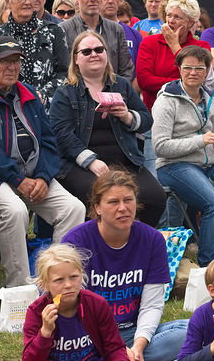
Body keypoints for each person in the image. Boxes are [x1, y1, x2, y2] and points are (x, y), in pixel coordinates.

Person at [0, 38, 86, 288]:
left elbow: (49, 140)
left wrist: (43, 177)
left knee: (73, 209)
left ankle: (56, 281)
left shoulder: (27, 92)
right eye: (4, 61)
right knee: (15, 211)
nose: (12, 67)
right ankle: (20, 290)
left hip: (32, 175)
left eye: (16, 61)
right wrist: (17, 179)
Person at [62, 169, 188, 361]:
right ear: (97, 207)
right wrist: (116, 348)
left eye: (128, 200)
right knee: (196, 338)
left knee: (198, 328)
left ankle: (129, 358)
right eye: (113, 202)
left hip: (132, 332)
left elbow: (152, 305)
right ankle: (119, 358)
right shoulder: (75, 241)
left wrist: (138, 346)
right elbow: (73, 307)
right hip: (89, 335)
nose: (123, 208)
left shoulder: (153, 239)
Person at [13, 243, 152, 361]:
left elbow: (115, 346)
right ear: (45, 284)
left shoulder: (96, 304)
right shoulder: (36, 311)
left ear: (82, 275)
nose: (68, 285)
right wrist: (45, 332)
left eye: (73, 277)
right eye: (59, 280)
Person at [48, 29, 164, 227]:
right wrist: (90, 161)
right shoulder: (65, 93)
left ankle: (133, 239)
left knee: (156, 198)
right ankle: (99, 242)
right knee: (98, 196)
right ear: (76, 59)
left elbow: (146, 120)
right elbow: (62, 135)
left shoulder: (122, 85)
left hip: (125, 161)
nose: (94, 54)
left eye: (99, 49)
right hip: (80, 165)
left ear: (106, 53)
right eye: (86, 51)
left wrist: (127, 116)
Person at [152, 45, 214, 268]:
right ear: (179, 69)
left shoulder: (211, 100)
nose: (193, 72)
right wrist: (201, 140)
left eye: (199, 68)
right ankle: (208, 267)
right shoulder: (166, 100)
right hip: (174, 166)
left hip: (210, 165)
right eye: (187, 67)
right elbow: (160, 147)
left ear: (207, 71)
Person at [0, 0, 69, 103]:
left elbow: (65, 73)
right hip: (7, 107)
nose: (28, 2)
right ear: (8, 2)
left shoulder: (54, 32)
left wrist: (41, 95)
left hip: (45, 109)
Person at [135, 0, 210, 108]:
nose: (171, 21)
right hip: (155, 110)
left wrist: (175, 46)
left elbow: (199, 80)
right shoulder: (149, 43)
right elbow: (144, 81)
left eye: (177, 17)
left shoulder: (201, 46)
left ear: (190, 23)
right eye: (168, 15)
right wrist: (182, 82)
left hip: (189, 110)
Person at [62, 0, 135, 80]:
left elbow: (126, 69)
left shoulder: (116, 29)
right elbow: (60, 71)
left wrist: (116, 89)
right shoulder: (63, 30)